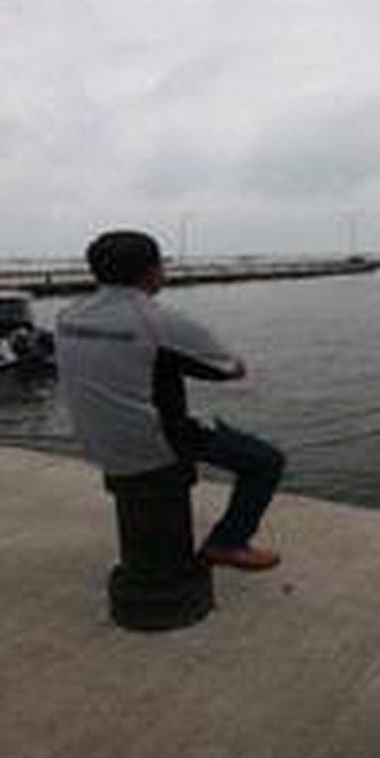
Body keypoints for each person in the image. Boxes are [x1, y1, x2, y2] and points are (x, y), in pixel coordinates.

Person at [57, 229, 285, 570]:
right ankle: (227, 543)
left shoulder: (68, 315)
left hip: (94, 439)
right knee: (266, 461)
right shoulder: (156, 319)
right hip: (150, 442)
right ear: (151, 271)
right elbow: (230, 369)